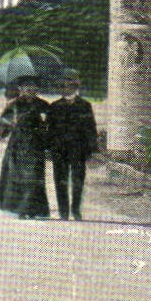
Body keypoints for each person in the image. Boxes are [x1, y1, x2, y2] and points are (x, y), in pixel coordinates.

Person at [0, 76, 51, 220]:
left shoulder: (43, 105)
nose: (31, 90)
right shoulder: (13, 105)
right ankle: (18, 209)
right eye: (27, 87)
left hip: (36, 146)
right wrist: (6, 126)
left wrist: (47, 137)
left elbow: (52, 126)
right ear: (20, 89)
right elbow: (2, 125)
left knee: (34, 177)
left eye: (34, 87)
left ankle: (32, 209)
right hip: (17, 145)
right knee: (16, 176)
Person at [46, 71, 99, 221]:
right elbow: (49, 129)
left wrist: (91, 149)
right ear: (61, 89)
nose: (67, 89)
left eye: (70, 86)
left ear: (76, 88)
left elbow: (91, 128)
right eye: (64, 87)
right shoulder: (54, 106)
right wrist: (48, 148)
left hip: (78, 150)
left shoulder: (85, 105)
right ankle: (63, 211)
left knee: (77, 181)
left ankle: (76, 210)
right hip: (59, 150)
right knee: (60, 181)